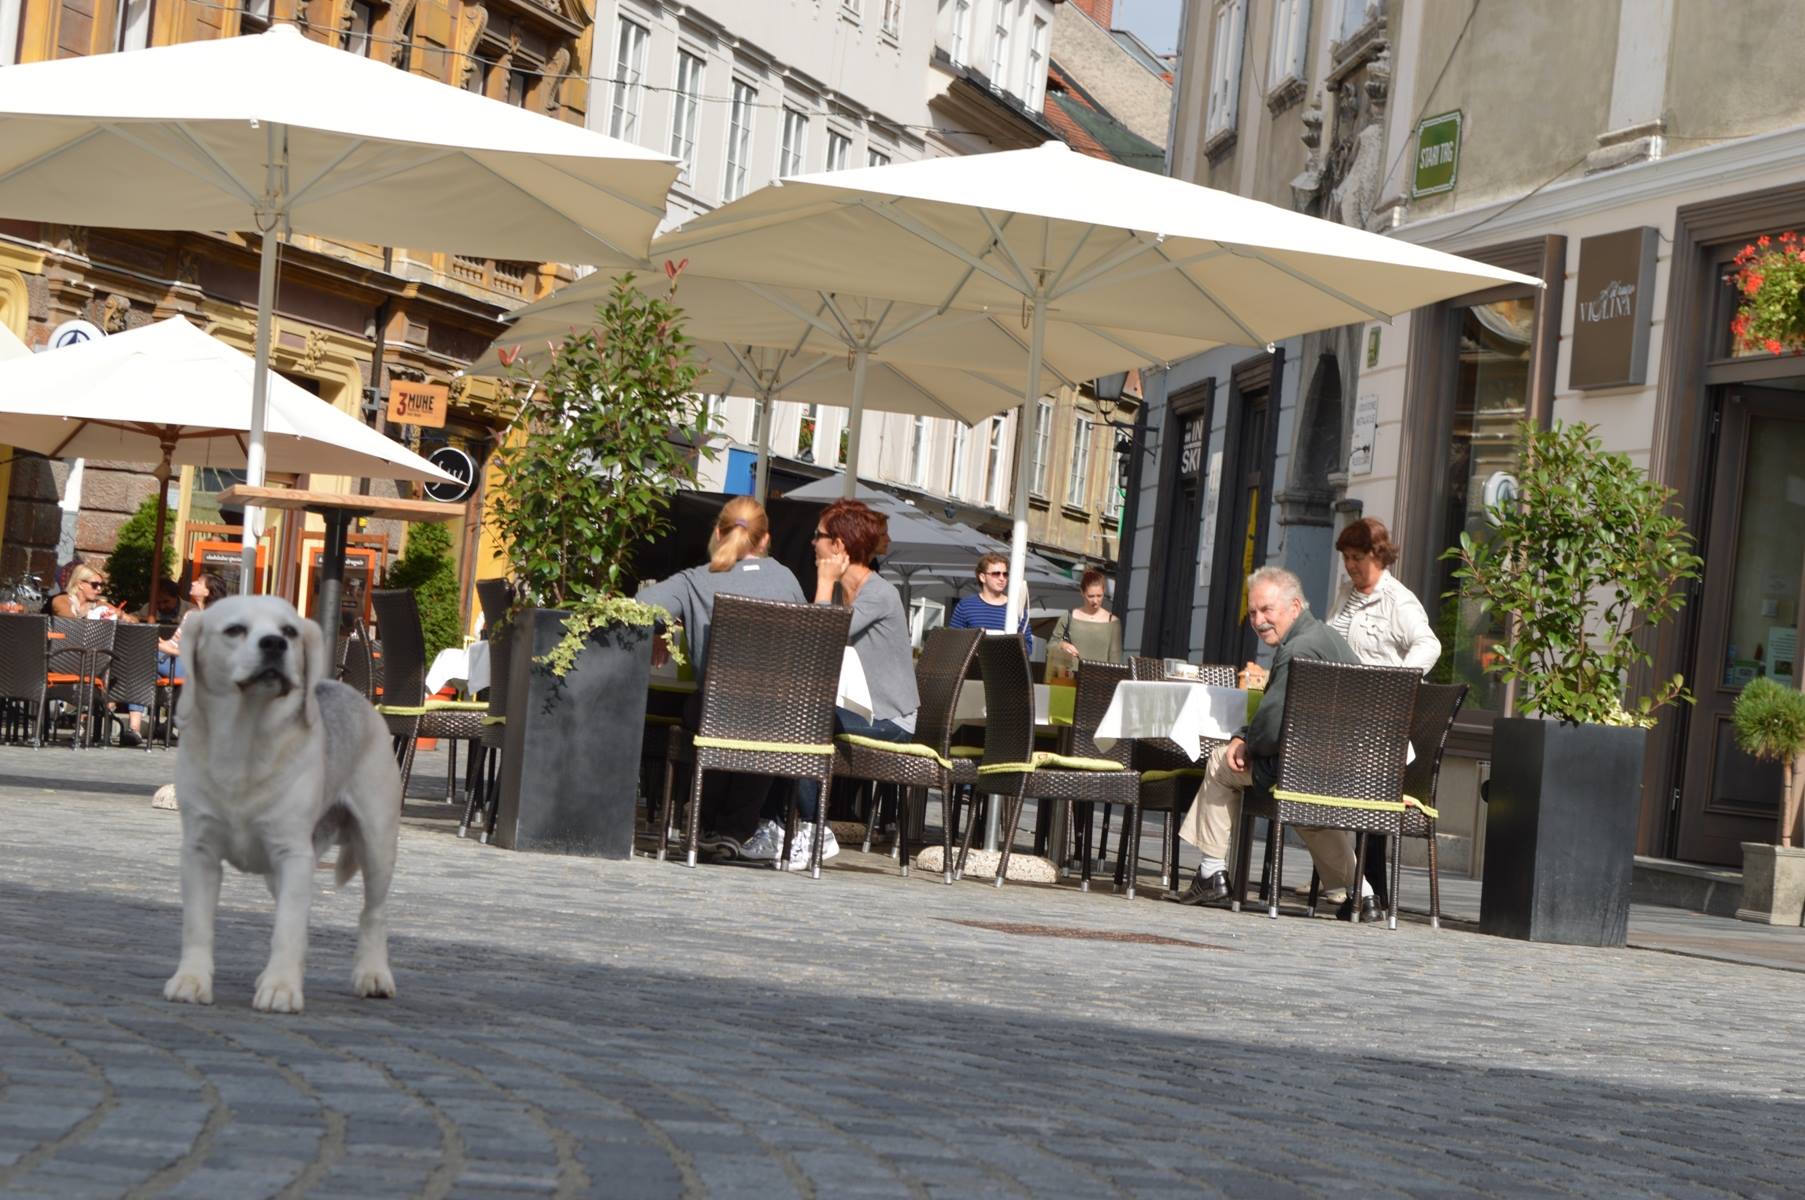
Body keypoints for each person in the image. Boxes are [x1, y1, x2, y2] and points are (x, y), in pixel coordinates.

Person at [1169, 565, 1379, 921]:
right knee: (1309, 815)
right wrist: (1248, 736)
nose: (1258, 620)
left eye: (1267, 609)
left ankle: (1212, 873)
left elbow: (1270, 725)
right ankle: (1363, 895)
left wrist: (1245, 744)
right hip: (1348, 769)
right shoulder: (1328, 637)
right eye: (1253, 612)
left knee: (1221, 762)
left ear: (1294, 607)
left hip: (1305, 769)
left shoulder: (1296, 649)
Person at [749, 498, 921, 870]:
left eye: (819, 536)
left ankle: (815, 831)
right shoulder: (849, 591)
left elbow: (820, 643)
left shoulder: (879, 594)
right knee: (784, 714)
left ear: (838, 545)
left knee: (805, 719)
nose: (813, 542)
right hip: (856, 709)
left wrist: (824, 582)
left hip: (890, 721)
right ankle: (774, 827)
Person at [636, 497, 806, 859]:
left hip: (716, 714)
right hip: (776, 721)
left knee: (705, 711)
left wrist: (662, 628)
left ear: (718, 533)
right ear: (765, 539)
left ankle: (705, 823)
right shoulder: (787, 580)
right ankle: (733, 829)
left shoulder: (697, 580)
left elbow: (639, 607)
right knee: (760, 715)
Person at [1321, 517, 1441, 907]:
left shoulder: (1397, 600)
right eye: (1346, 558)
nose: (1350, 565)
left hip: (1377, 725)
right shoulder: (1345, 594)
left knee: (1359, 786)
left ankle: (1367, 888)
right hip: (1339, 716)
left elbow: (1429, 645)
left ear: (1378, 555)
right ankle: (1346, 878)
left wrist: (1394, 684)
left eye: (1357, 557)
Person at [947, 552, 1032, 651]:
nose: (1002, 578)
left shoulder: (1017, 609)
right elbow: (953, 641)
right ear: (982, 577)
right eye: (996, 574)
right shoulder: (965, 606)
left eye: (1005, 574)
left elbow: (1028, 646)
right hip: (974, 660)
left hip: (1005, 660)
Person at [1048, 569, 1123, 677]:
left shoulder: (1113, 622)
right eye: (1091, 596)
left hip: (1099, 681)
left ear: (1104, 591)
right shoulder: (1069, 617)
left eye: (1099, 596)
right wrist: (1063, 645)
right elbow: (1050, 646)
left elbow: (1115, 662)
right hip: (1069, 679)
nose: (1095, 601)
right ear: (1082, 592)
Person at [157, 572, 228, 683]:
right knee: (143, 655)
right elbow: (174, 643)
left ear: (207, 592)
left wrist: (169, 650)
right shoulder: (191, 614)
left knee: (145, 658)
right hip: (183, 664)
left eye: (199, 582)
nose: (193, 583)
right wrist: (158, 643)